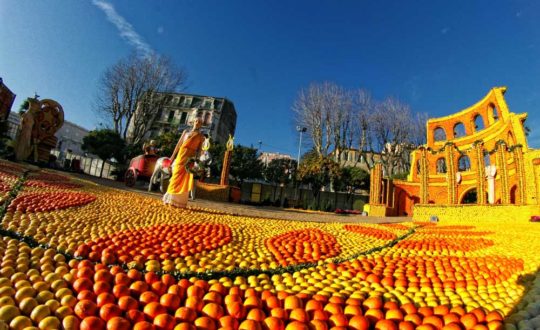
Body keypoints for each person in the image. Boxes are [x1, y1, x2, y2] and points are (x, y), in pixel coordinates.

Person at [162, 117, 205, 208]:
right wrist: (172, 157)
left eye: (200, 122)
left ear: (201, 124)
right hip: (181, 155)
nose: (198, 123)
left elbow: (200, 150)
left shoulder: (201, 136)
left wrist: (197, 161)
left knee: (185, 178)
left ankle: (179, 202)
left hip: (190, 158)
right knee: (176, 175)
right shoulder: (186, 132)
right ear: (193, 122)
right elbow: (178, 145)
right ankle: (169, 198)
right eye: (196, 121)